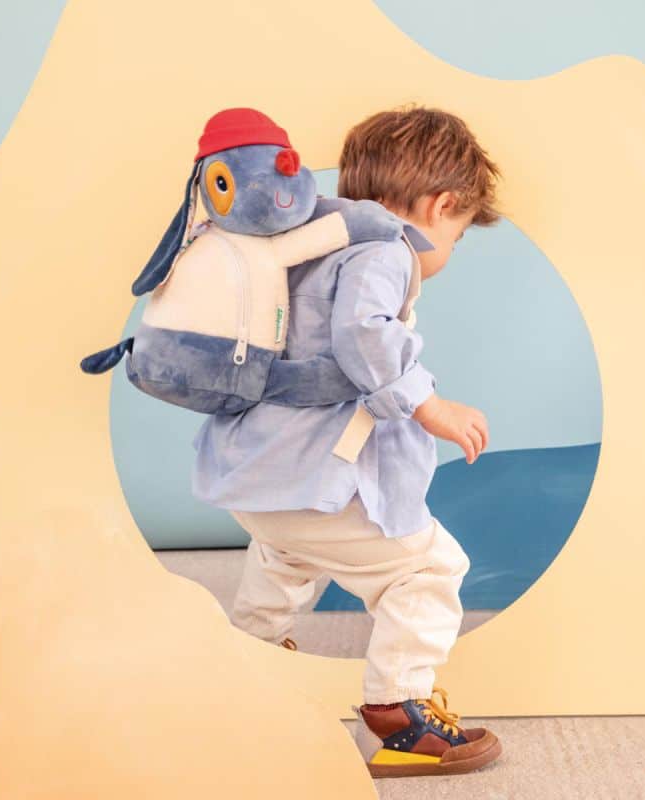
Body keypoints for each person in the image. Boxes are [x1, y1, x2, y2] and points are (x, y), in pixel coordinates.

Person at [191, 106, 502, 777]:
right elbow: (364, 333)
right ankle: (399, 718)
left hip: (260, 477)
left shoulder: (305, 241)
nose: (448, 250)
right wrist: (431, 406)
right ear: (442, 205)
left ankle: (244, 680)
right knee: (427, 569)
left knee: (285, 557)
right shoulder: (384, 249)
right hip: (316, 480)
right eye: (456, 235)